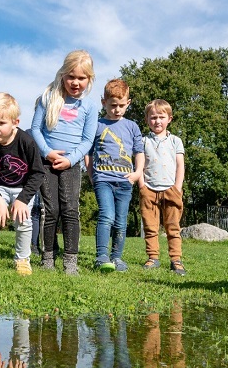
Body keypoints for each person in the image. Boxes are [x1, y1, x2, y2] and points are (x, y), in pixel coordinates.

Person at [29, 49, 98, 276]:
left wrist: (70, 160)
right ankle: (47, 259)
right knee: (51, 210)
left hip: (71, 165)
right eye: (71, 76)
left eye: (81, 78)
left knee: (70, 209)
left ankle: (70, 263)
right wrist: (48, 152)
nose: (75, 82)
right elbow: (36, 130)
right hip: (46, 163)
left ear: (89, 79)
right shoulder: (47, 99)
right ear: (62, 75)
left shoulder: (89, 107)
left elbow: (88, 140)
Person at [0, 93, 45, 276]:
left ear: (15, 122)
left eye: (1, 123)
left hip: (23, 188)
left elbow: (38, 173)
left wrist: (22, 199)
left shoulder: (27, 142)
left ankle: (22, 259)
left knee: (24, 220)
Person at [85, 79, 144, 272]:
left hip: (125, 181)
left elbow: (139, 152)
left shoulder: (132, 127)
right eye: (113, 105)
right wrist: (91, 174)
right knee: (106, 215)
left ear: (128, 102)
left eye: (121, 105)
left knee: (120, 220)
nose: (117, 110)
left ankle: (117, 258)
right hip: (103, 180)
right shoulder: (97, 125)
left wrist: (137, 173)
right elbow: (89, 152)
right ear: (104, 103)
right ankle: (101, 256)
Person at [140, 99, 186, 275]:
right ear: (147, 120)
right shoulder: (143, 141)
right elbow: (140, 164)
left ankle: (176, 259)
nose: (157, 121)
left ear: (169, 119)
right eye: (153, 117)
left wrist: (177, 187)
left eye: (161, 117)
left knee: (172, 227)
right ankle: (153, 257)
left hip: (171, 190)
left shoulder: (175, 141)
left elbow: (180, 165)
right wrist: (142, 186)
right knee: (150, 227)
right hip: (149, 190)